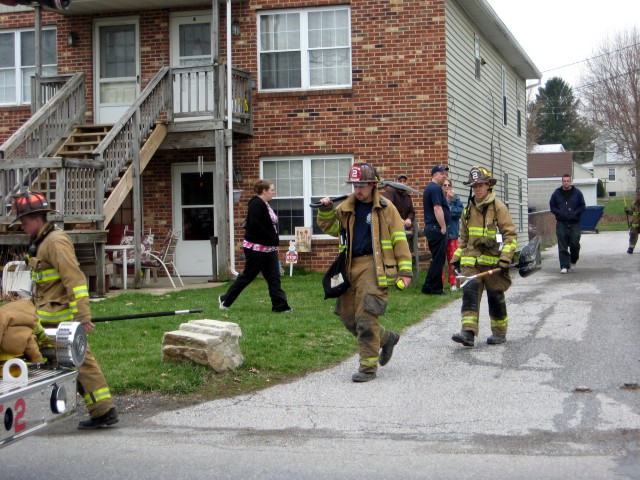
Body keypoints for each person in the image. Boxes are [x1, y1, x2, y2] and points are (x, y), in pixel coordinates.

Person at [12, 191, 118, 429]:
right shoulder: (41, 242)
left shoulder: (55, 242)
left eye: (24, 221)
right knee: (74, 364)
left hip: (62, 320)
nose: (22, 226)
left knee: (82, 363)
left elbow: (75, 281)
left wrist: (82, 317)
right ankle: (100, 411)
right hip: (47, 318)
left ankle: (103, 411)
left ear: (37, 218)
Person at [317, 162, 412, 382]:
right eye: (354, 185)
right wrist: (325, 210)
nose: (357, 190)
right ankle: (387, 338)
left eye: (361, 185)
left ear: (372, 184)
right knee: (348, 316)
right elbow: (331, 229)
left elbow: (400, 240)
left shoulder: (386, 208)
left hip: (374, 265)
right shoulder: (346, 207)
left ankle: (368, 367)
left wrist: (405, 272)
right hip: (349, 265)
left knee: (366, 315)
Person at [450, 166, 517, 347]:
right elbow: (463, 240)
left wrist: (505, 259)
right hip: (472, 263)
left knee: (495, 297)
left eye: (480, 185)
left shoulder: (498, 208)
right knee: (470, 293)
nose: (477, 189)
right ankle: (468, 333)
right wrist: (456, 258)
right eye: (474, 186)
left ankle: (499, 333)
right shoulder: (467, 211)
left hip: (494, 263)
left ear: (488, 185)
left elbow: (510, 236)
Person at [219, 179, 292, 313]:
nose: (273, 192)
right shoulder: (256, 203)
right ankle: (225, 299)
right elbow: (255, 225)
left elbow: (270, 224)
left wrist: (273, 240)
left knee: (274, 278)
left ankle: (280, 306)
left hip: (269, 250)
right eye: (271, 190)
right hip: (256, 249)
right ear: (264, 191)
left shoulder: (266, 204)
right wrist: (271, 238)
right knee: (248, 276)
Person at [421, 164, 450, 295]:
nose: (445, 176)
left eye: (445, 173)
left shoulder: (432, 189)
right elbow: (437, 208)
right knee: (439, 260)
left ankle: (430, 287)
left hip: (432, 227)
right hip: (436, 228)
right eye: (442, 173)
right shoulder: (434, 189)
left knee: (437, 259)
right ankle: (433, 288)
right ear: (435, 175)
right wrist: (443, 226)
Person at [549, 174, 586, 273]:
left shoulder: (577, 193)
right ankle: (564, 266)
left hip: (574, 223)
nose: (566, 182)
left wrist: (575, 213)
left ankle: (573, 260)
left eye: (567, 181)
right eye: (564, 181)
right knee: (562, 246)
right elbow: (552, 206)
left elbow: (582, 206)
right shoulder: (556, 193)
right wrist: (559, 212)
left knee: (575, 244)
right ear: (562, 182)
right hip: (561, 223)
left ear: (571, 182)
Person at [442, 179, 463, 291]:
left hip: (452, 233)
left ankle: (453, 283)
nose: (446, 187)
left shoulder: (456, 198)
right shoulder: (439, 197)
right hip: (441, 233)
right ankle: (440, 282)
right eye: (444, 185)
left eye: (448, 185)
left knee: (453, 259)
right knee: (440, 260)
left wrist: (449, 207)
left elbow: (460, 211)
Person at [624, 187, 640, 254]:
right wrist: (628, 211)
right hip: (635, 223)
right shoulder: (633, 203)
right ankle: (631, 248)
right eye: (637, 194)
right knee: (633, 235)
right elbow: (632, 212)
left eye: (639, 195)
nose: (638, 196)